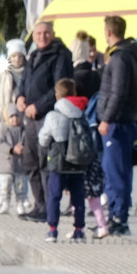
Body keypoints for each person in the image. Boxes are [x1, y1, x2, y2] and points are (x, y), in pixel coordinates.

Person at [96, 14, 137, 235]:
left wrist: (107, 118)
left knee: (115, 173)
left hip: (117, 123)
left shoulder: (119, 58)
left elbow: (118, 92)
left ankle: (118, 219)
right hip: (124, 121)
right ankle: (117, 215)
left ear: (108, 32)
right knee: (118, 171)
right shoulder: (128, 56)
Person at [41, 70, 98, 241]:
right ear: (74, 93)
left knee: (54, 196)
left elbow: (43, 139)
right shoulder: (82, 113)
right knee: (78, 197)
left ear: (58, 96)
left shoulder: (53, 115)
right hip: (79, 162)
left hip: (58, 163)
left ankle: (52, 229)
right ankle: (79, 229)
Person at [0, 41, 33, 214]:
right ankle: (4, 194)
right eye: (13, 56)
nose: (17, 59)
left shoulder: (29, 75)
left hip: (23, 125)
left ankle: (22, 197)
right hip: (3, 124)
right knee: (4, 162)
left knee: (22, 163)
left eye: (20, 56)